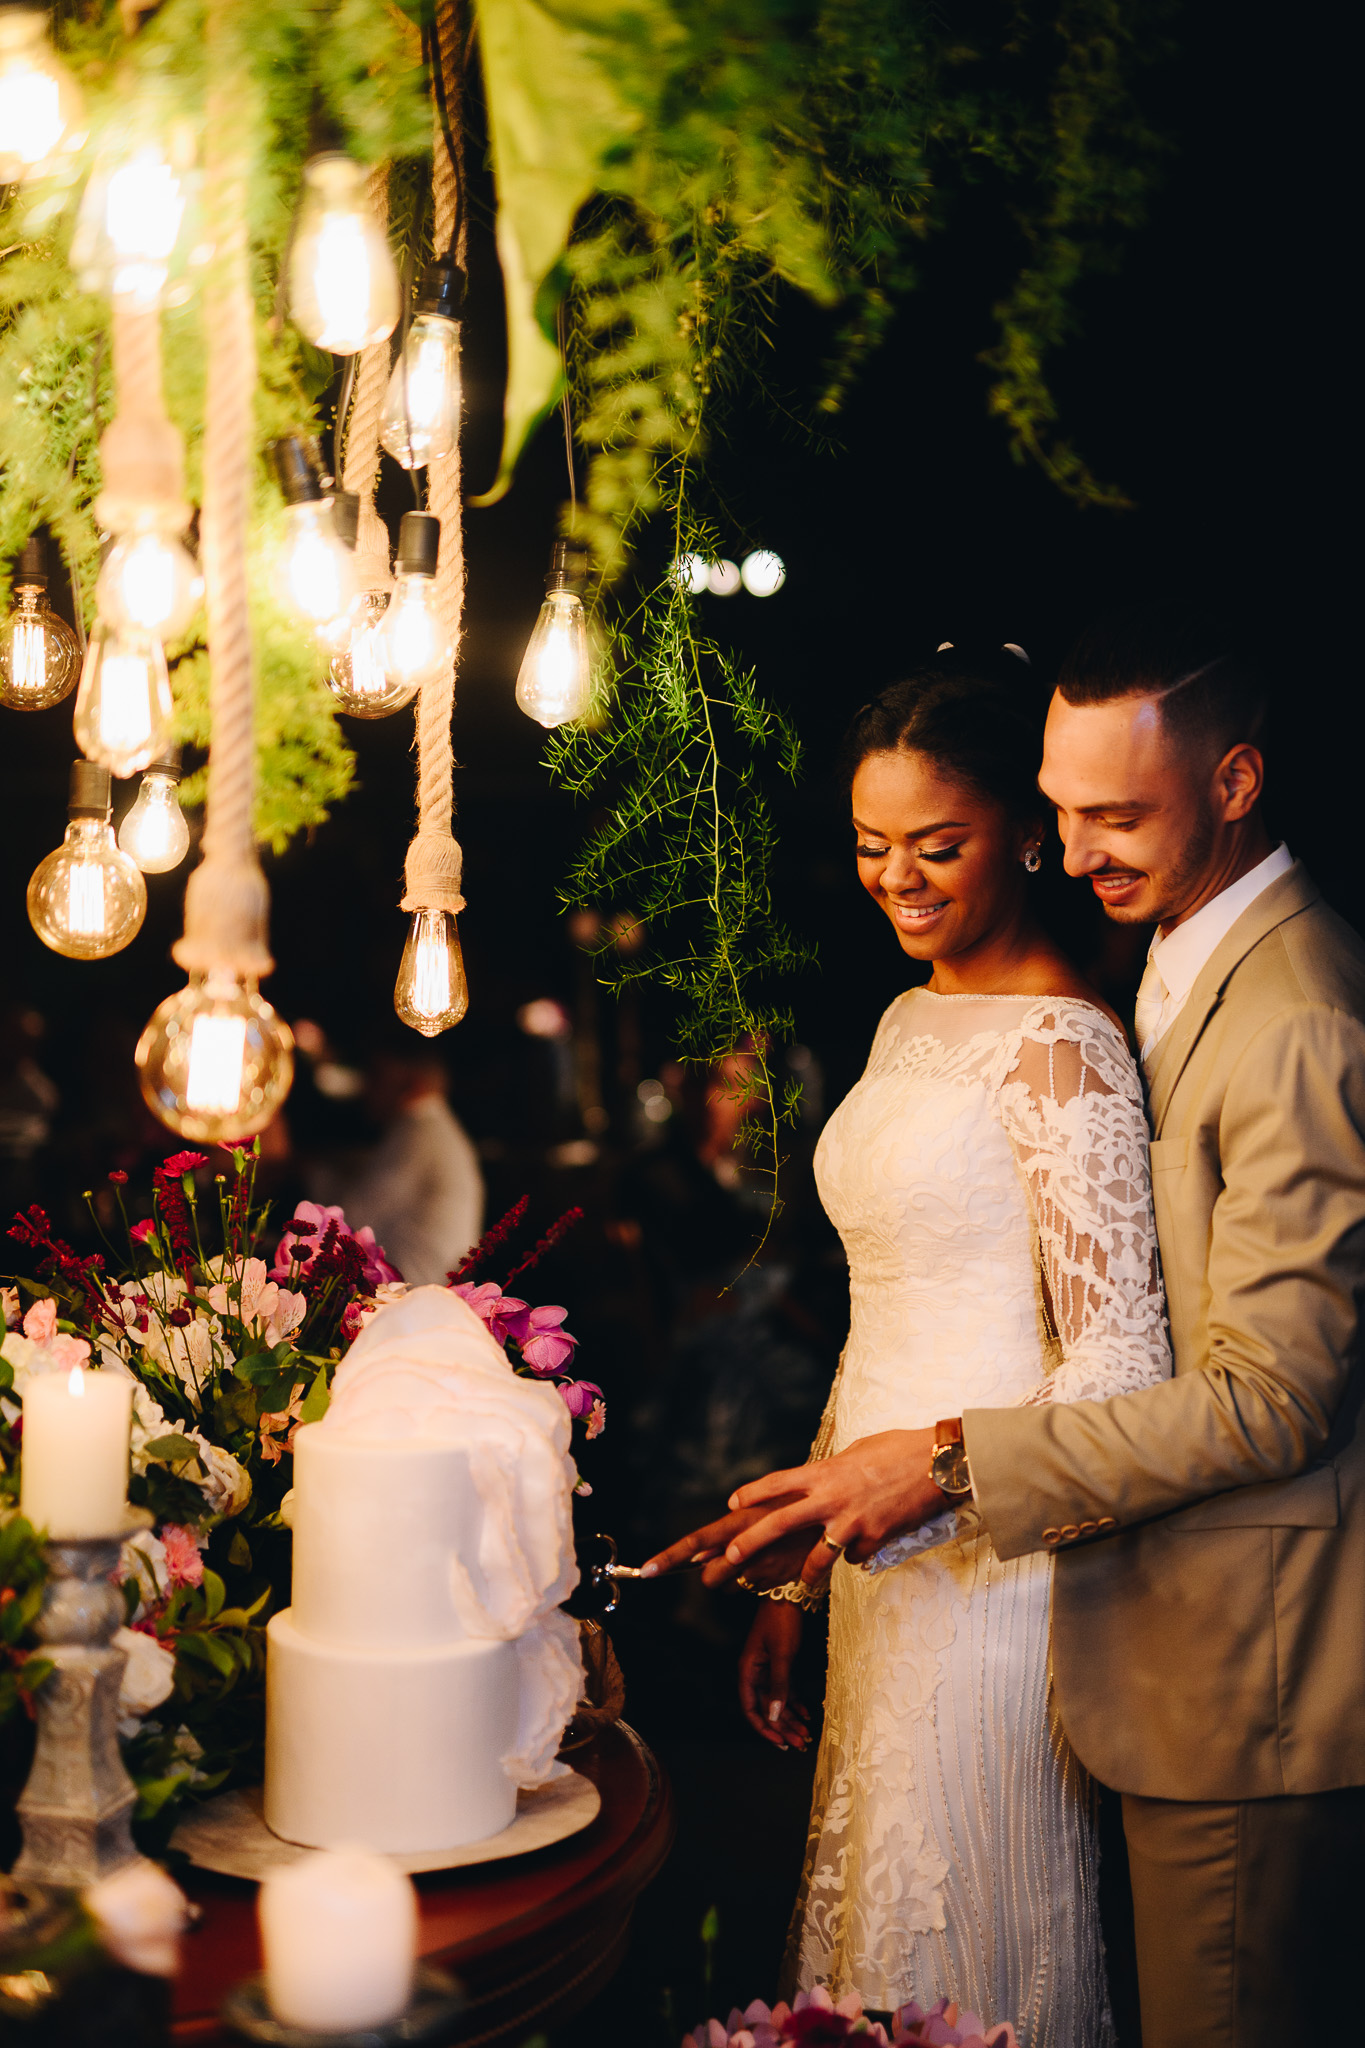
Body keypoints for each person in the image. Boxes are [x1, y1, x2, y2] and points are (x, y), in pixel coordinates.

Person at [656, 613, 1365, 2046]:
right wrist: (810, 1559)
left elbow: (1224, 1383)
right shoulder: (1013, 994)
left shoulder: (1226, 1018)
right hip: (897, 1547)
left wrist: (934, 1470)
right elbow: (892, 1311)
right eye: (1065, 809)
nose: (1084, 849)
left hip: (1065, 1586)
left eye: (1115, 816)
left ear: (1234, 781)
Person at [333, 1044, 484, 1284]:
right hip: (428, 1287)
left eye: (377, 1076)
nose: (367, 1088)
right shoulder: (435, 1127)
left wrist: (308, 1171)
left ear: (413, 1083)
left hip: (412, 1291)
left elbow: (352, 1216)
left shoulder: (418, 1130)